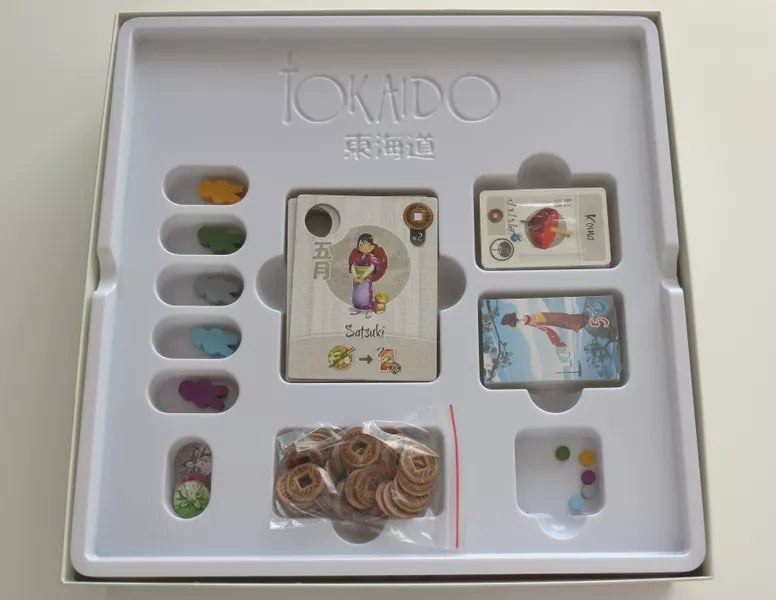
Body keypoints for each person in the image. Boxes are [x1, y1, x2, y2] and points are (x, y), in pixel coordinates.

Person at [348, 233, 387, 317]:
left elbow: (371, 268)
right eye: (361, 245)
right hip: (357, 278)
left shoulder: (371, 257)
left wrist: (362, 277)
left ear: (372, 247)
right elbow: (353, 266)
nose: (363, 247)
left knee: (366, 294)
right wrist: (356, 276)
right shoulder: (356, 256)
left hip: (366, 278)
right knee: (357, 294)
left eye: (366, 245)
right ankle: (358, 308)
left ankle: (368, 310)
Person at [500, 310, 588, 348]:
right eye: (514, 322)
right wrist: (555, 341)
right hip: (541, 318)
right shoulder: (526, 321)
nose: (516, 322)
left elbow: (545, 329)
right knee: (560, 320)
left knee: (560, 318)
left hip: (541, 318)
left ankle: (580, 321)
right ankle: (580, 321)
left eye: (514, 322)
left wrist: (555, 341)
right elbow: (546, 329)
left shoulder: (525, 319)